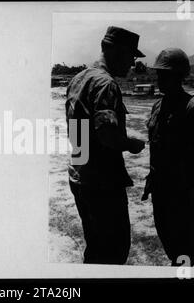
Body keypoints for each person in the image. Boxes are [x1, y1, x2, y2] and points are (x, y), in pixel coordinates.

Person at [65, 26, 145, 264]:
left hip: (80, 176)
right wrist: (131, 144)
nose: (132, 63)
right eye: (131, 56)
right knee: (114, 252)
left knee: (95, 249)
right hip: (102, 183)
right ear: (117, 51)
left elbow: (77, 131)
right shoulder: (105, 84)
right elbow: (106, 134)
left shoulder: (79, 79)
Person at [142, 48, 194, 266]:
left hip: (181, 193)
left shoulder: (193, 109)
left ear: (179, 76)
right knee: (170, 244)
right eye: (159, 74)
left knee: (183, 250)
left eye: (166, 74)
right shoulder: (158, 105)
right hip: (161, 190)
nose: (160, 78)